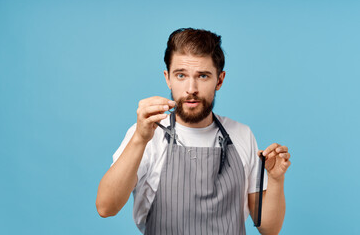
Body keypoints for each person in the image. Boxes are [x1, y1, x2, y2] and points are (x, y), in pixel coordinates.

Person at [96, 28, 291, 235]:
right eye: (181, 75)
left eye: (203, 76)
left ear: (220, 80)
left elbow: (269, 229)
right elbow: (106, 207)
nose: (191, 88)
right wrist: (139, 139)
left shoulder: (242, 135)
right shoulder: (146, 135)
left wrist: (276, 179)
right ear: (168, 78)